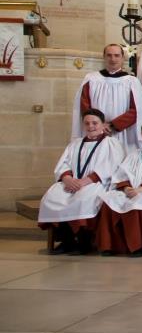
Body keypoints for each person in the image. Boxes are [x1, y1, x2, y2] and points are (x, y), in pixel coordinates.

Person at [39, 109, 125, 255]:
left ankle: (83, 242)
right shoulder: (75, 143)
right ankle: (67, 242)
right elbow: (63, 163)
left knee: (83, 199)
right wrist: (67, 179)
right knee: (53, 197)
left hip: (96, 182)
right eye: (87, 123)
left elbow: (111, 166)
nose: (91, 126)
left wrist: (84, 182)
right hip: (72, 182)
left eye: (94, 123)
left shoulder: (111, 143)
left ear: (103, 124)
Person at [95, 119, 142, 257]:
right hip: (130, 189)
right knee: (108, 201)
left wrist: (141, 189)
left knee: (136, 204)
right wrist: (126, 188)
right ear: (141, 135)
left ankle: (139, 246)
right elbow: (121, 173)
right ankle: (109, 245)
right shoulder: (134, 153)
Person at [72, 43, 142, 151]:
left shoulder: (131, 81)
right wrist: (98, 124)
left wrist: (112, 125)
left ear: (122, 58)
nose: (113, 59)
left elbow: (136, 110)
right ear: (104, 57)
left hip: (122, 133)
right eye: (109, 55)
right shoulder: (91, 79)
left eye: (117, 55)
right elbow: (84, 104)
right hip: (95, 131)